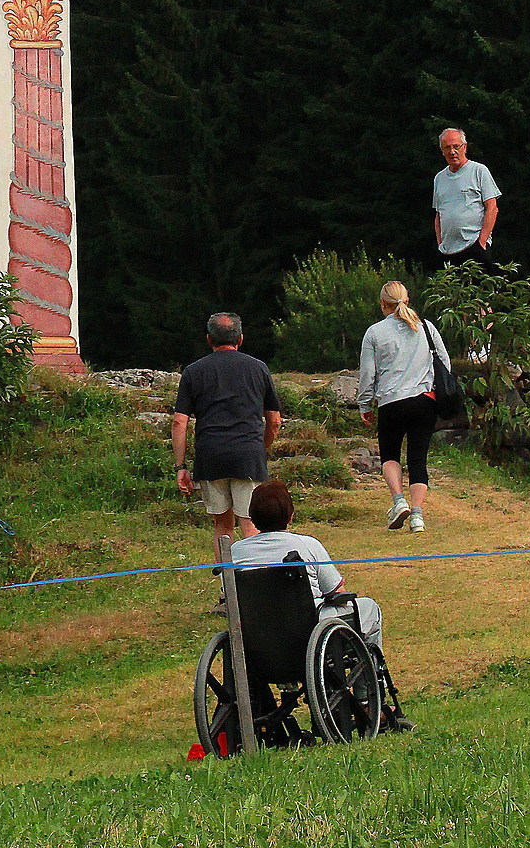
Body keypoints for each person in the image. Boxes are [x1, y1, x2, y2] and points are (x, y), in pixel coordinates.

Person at [230, 478, 408, 726]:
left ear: (252, 517)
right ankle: (367, 702)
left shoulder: (235, 553)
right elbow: (337, 590)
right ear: (290, 516)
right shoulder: (306, 545)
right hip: (307, 636)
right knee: (368, 609)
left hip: (258, 641)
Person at [172, 312, 282, 548]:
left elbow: (179, 422)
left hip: (210, 457)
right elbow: (274, 420)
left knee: (222, 527)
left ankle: (227, 581)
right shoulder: (259, 369)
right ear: (240, 339)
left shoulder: (193, 372)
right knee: (251, 524)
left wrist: (181, 466)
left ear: (209, 339)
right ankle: (256, 576)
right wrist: (261, 447)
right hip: (248, 454)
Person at [357, 278, 451, 533]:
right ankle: (418, 516)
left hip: (391, 401)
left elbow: (368, 374)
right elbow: (444, 361)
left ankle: (399, 501)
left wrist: (365, 403)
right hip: (424, 400)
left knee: (390, 454)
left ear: (382, 304)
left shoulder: (374, 333)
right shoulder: (427, 327)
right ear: (407, 300)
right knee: (418, 459)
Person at [433, 127, 499, 265]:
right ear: (442, 151)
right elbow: (439, 215)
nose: (452, 152)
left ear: (465, 147)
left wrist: (482, 241)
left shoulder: (479, 171)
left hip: (474, 247)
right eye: (447, 148)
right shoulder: (439, 178)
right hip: (448, 252)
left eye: (456, 146)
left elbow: (492, 208)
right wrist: (440, 244)